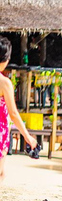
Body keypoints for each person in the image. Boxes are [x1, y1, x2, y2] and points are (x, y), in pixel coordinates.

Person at [0, 36, 37, 183]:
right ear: (5, 59)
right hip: (1, 130)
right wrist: (27, 137)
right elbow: (14, 113)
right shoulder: (4, 83)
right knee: (1, 173)